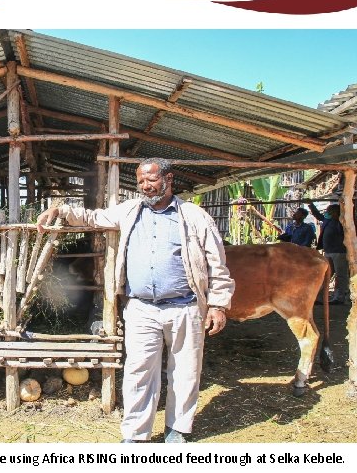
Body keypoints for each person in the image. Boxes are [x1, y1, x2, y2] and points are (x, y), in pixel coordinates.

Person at [36, 157, 234, 443]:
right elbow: (93, 218)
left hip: (185, 307)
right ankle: (136, 434)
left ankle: (177, 429)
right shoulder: (130, 211)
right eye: (141, 181)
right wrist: (60, 210)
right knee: (138, 371)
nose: (145, 186)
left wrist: (217, 304)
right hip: (141, 308)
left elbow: (217, 263)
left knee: (185, 370)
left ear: (169, 179)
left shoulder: (194, 216)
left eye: (151, 180)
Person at [305, 201, 353, 305]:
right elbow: (318, 215)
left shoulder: (342, 222)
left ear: (336, 212)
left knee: (340, 275)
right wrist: (311, 205)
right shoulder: (328, 221)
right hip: (328, 251)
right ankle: (320, 298)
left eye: (330, 211)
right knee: (325, 275)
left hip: (340, 252)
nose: (328, 213)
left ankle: (339, 297)